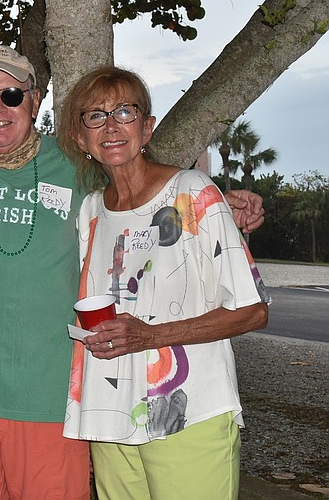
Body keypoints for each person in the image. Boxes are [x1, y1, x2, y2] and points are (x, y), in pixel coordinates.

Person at [0, 45, 264, 500]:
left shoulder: (79, 171)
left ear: (34, 101)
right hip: (31, 403)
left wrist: (215, 203)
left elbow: (154, 192)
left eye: (12, 95)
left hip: (77, 402)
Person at [56, 66, 269, 500]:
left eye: (124, 112)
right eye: (95, 116)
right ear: (80, 138)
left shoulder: (192, 192)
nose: (111, 126)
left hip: (188, 410)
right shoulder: (91, 211)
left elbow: (254, 311)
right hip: (109, 412)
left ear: (147, 127)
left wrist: (151, 336)